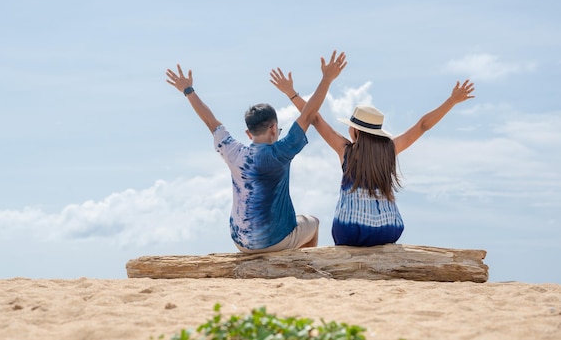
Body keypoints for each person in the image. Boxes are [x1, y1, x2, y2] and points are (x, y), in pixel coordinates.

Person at [165, 50, 347, 253]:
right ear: (272, 129)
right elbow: (309, 115)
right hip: (273, 241)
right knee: (312, 223)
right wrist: (327, 79)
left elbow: (210, 120)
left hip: (241, 242)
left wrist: (188, 90)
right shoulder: (281, 152)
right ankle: (300, 268)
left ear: (248, 133)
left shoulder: (233, 152)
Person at [270, 68, 475, 247]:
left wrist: (291, 93)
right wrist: (452, 101)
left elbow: (314, 118)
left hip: (350, 231)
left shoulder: (345, 150)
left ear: (356, 132)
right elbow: (422, 126)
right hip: (387, 231)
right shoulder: (390, 149)